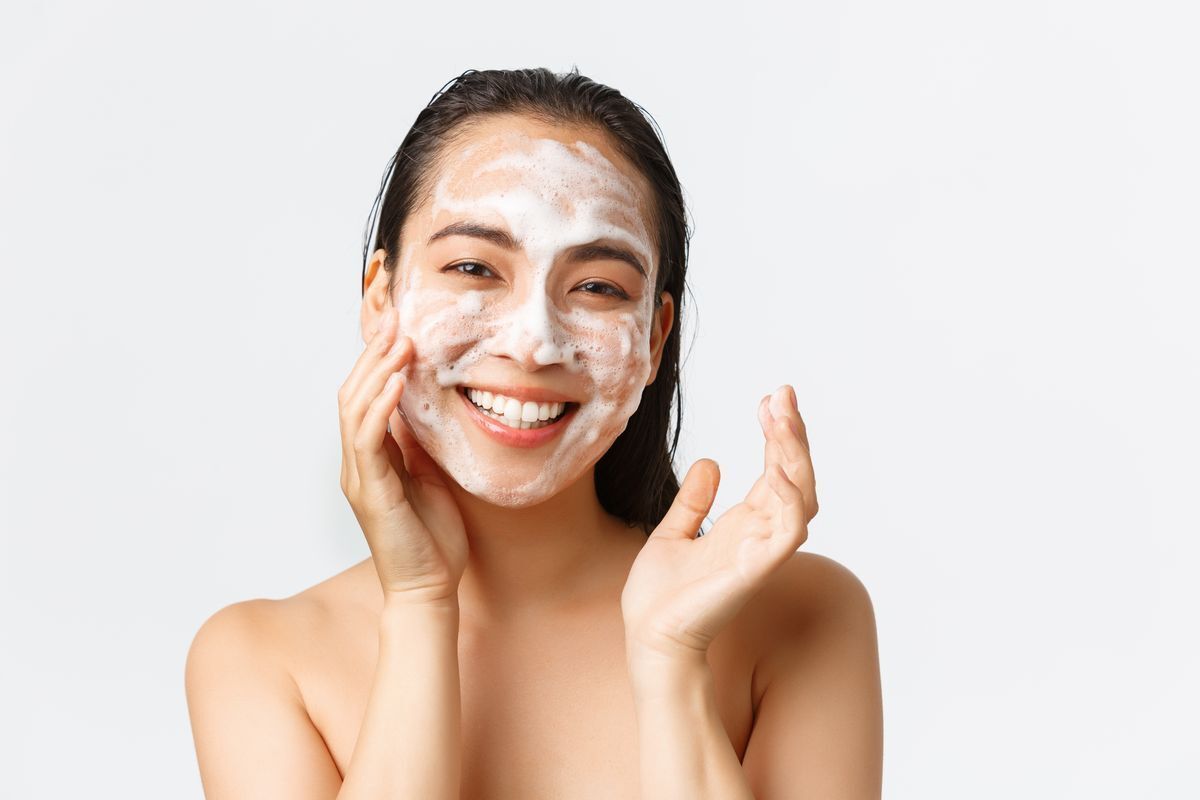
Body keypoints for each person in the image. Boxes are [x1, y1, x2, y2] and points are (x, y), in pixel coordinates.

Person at [184, 67, 883, 799]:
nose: (534, 342)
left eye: (597, 287)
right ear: (380, 298)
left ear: (654, 337)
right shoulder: (260, 660)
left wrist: (671, 661)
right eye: (474, 267)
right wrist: (421, 603)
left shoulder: (801, 616)